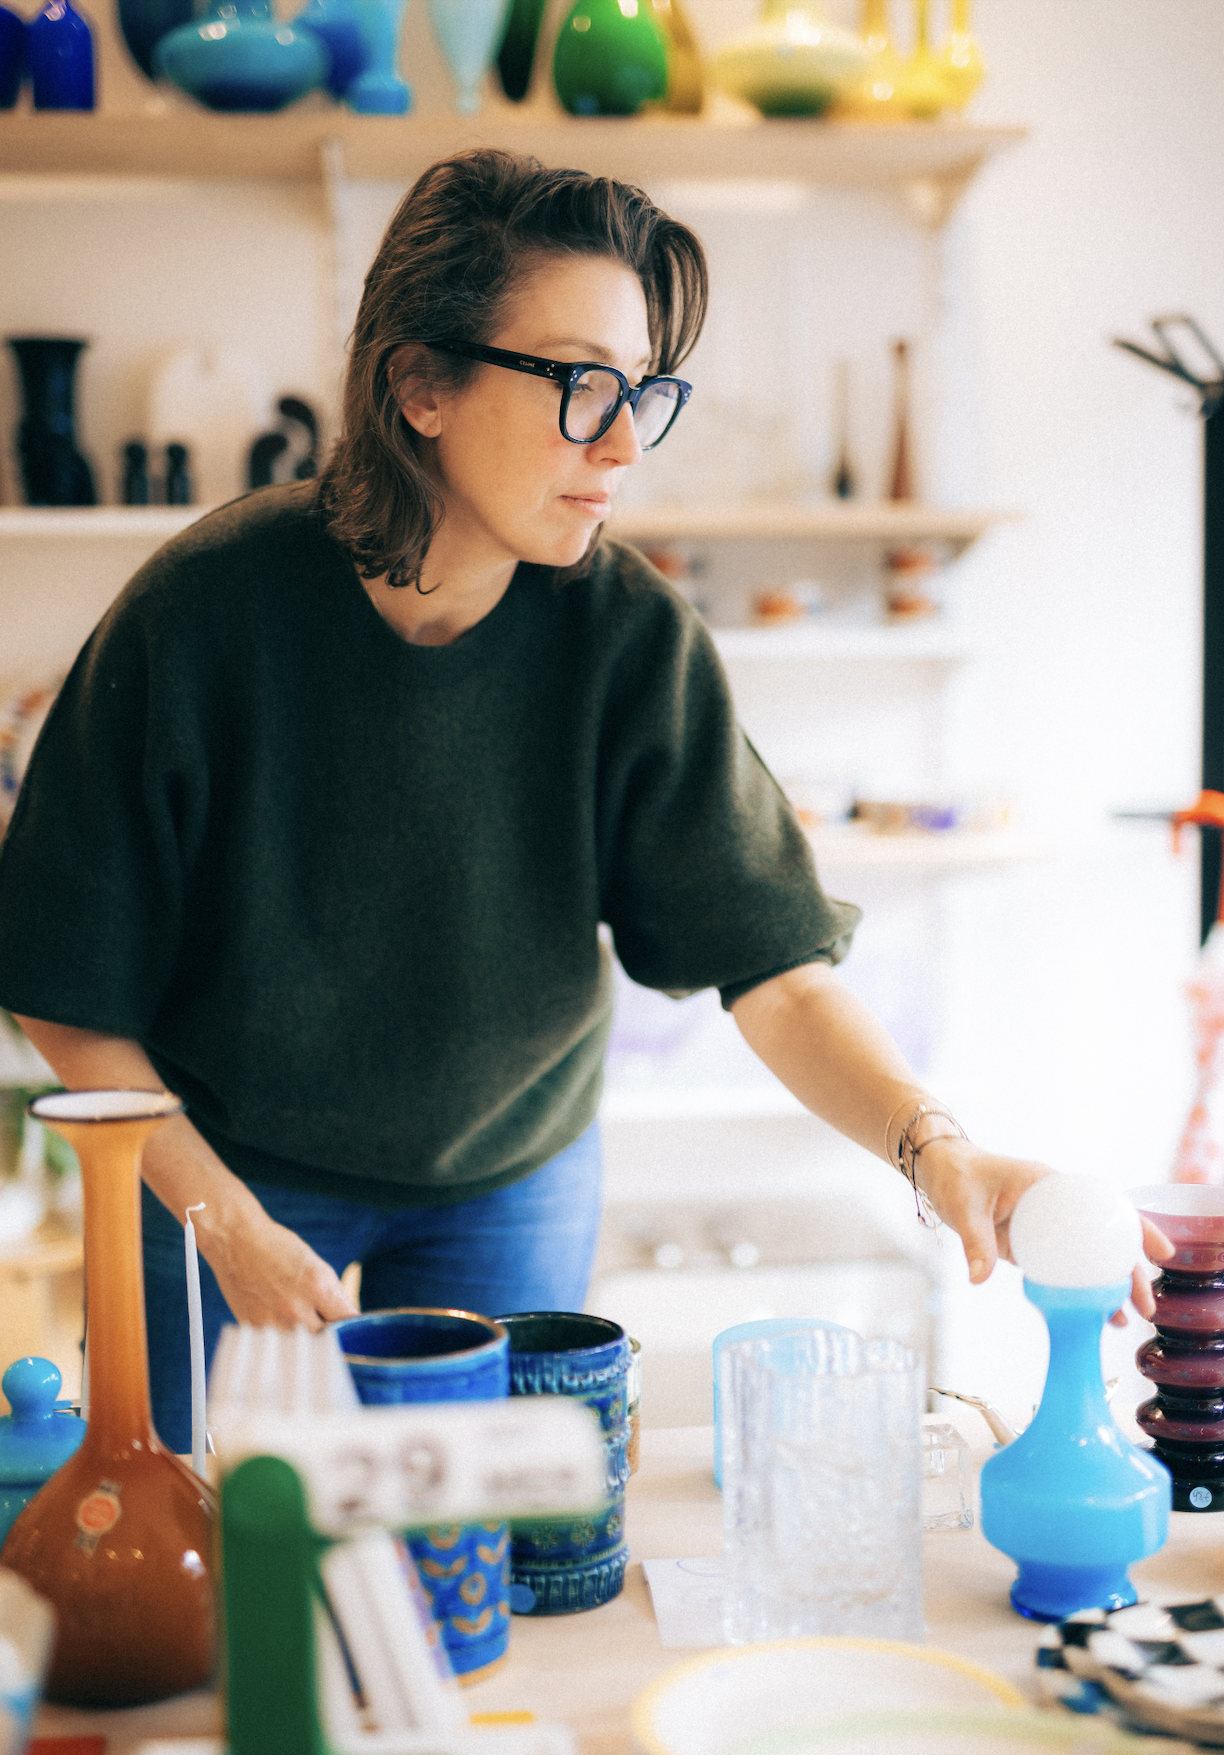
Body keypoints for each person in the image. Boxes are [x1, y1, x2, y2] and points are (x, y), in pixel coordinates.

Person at [0, 151, 1165, 1453]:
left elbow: (774, 969)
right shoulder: (204, 614)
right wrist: (224, 1222)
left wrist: (933, 1144)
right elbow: (66, 987)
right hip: (220, 1164)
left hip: (509, 1179)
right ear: (420, 384)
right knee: (208, 1554)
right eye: (576, 386)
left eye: (641, 391)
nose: (620, 443)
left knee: (491, 1562)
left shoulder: (626, 639)